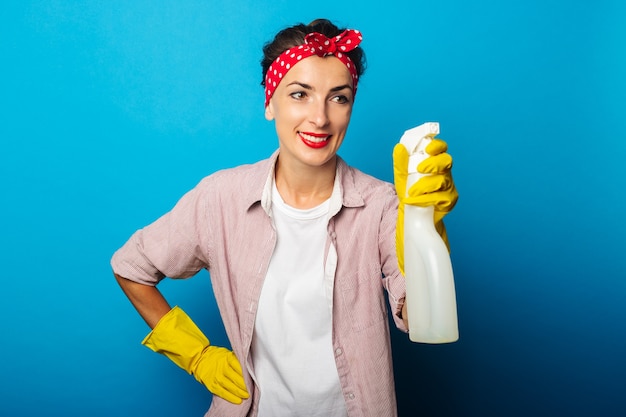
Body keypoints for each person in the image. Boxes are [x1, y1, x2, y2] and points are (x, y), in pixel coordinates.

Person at [111, 18, 457, 417]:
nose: (320, 118)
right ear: (270, 103)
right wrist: (196, 354)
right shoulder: (220, 199)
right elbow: (130, 266)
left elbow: (422, 322)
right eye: (300, 94)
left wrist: (424, 225)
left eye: (338, 98)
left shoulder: (381, 205)